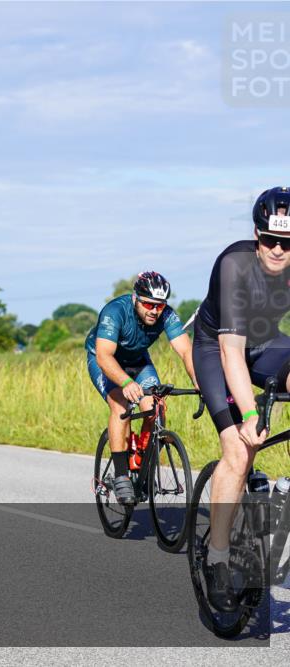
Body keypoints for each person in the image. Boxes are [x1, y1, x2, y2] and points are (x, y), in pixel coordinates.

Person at [195, 186, 290, 612]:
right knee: (238, 448)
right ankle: (216, 558)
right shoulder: (235, 264)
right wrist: (250, 413)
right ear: (256, 235)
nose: (278, 249)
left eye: (287, 242)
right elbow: (231, 351)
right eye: (269, 239)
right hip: (216, 349)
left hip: (266, 342)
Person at [85, 271, 197, 505]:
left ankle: (142, 461)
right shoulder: (115, 311)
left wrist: (200, 382)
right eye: (148, 304)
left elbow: (186, 350)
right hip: (104, 360)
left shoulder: (167, 315)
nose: (154, 311)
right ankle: (121, 474)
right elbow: (104, 355)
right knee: (121, 406)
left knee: (156, 407)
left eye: (160, 305)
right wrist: (125, 382)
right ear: (136, 298)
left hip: (138, 361)